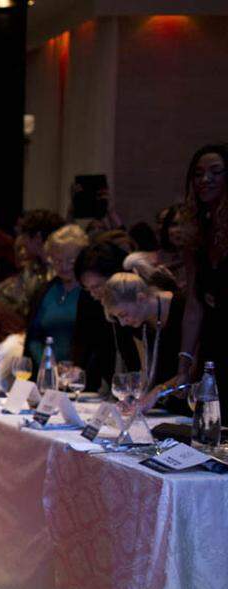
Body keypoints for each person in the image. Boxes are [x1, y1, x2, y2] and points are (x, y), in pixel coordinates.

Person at [166, 143, 227, 401]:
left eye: (215, 172)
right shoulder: (197, 232)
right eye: (199, 173)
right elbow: (193, 305)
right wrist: (184, 367)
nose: (206, 179)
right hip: (214, 339)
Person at [101, 272, 185, 398]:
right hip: (162, 403)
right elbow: (146, 370)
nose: (123, 323)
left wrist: (156, 393)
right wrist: (135, 399)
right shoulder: (138, 321)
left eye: (123, 315)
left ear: (141, 298)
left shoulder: (181, 307)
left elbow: (191, 368)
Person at [25, 224, 92, 366]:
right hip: (45, 372)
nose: (63, 266)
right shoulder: (44, 291)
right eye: (58, 260)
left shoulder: (91, 293)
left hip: (80, 376)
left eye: (70, 261)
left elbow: (98, 343)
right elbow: (33, 337)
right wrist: (47, 362)